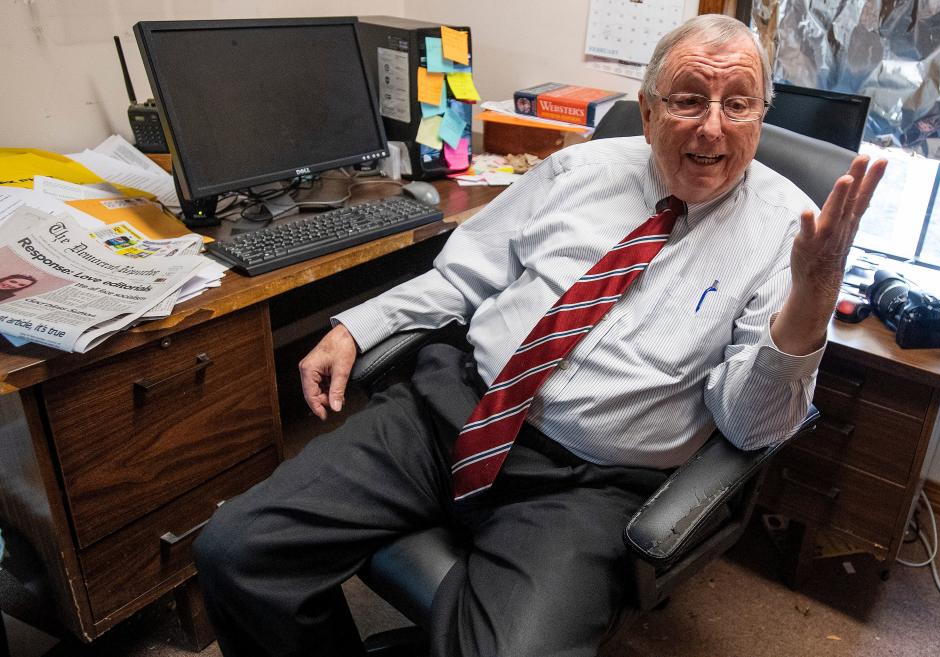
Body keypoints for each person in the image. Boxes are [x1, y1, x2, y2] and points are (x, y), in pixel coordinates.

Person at [194, 14, 886, 657]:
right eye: (687, 100)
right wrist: (358, 325)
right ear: (647, 111)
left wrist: (812, 301)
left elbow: (750, 426)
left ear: (760, 117)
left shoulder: (792, 235)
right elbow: (462, 273)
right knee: (238, 550)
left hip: (585, 481)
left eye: (738, 104)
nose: (712, 128)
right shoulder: (577, 169)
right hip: (450, 408)